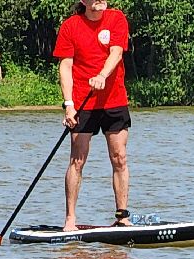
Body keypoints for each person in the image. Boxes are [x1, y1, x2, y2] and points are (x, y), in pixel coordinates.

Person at [53, 0, 131, 231]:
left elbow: (116, 52)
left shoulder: (117, 18)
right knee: (77, 160)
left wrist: (102, 75)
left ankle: (122, 216)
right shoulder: (70, 26)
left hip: (114, 99)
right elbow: (65, 67)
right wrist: (69, 105)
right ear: (83, 2)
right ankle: (70, 220)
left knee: (119, 158)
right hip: (82, 102)